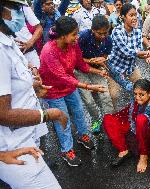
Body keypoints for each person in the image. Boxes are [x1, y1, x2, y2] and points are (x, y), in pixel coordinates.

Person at [0, 0, 68, 188]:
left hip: (26, 137)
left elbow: (12, 86)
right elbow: (2, 113)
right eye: (14, 8)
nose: (21, 13)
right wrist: (47, 114)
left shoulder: (9, 41)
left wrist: (32, 85)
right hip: (13, 147)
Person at [39, 16, 106, 166]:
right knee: (63, 120)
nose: (77, 37)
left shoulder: (73, 45)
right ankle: (66, 150)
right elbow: (62, 77)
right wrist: (89, 87)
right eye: (74, 34)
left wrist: (97, 71)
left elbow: (81, 65)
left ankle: (83, 135)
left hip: (70, 87)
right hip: (53, 91)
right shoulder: (49, 50)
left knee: (79, 112)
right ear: (63, 36)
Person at [107, 3, 150, 110]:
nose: (134, 18)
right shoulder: (117, 31)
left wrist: (149, 55)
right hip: (116, 69)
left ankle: (141, 111)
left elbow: (139, 53)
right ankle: (114, 115)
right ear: (123, 17)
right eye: (131, 15)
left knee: (143, 89)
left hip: (131, 68)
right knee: (114, 96)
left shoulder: (138, 32)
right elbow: (128, 52)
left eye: (135, 15)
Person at [77, 15, 114, 133]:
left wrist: (102, 59)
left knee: (106, 96)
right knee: (88, 100)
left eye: (105, 33)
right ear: (92, 30)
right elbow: (75, 59)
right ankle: (96, 120)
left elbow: (105, 55)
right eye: (100, 33)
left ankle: (110, 121)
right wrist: (91, 61)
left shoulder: (108, 39)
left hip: (98, 70)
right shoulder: (83, 37)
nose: (103, 36)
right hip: (81, 69)